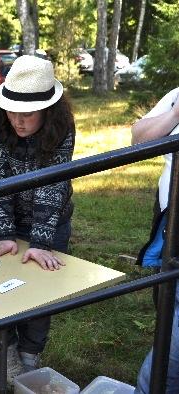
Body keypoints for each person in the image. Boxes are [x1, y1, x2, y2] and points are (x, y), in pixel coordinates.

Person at [0, 55, 76, 384]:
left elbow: (54, 183)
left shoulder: (62, 126)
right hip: (6, 215)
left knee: (40, 288)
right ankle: (6, 353)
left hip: (51, 219)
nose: (18, 122)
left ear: (48, 111)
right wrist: (5, 233)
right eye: (12, 112)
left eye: (28, 115)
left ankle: (30, 357)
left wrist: (39, 243)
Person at [131, 88, 179, 393]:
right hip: (171, 227)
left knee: (159, 375)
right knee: (166, 309)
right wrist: (175, 114)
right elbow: (138, 140)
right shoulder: (177, 94)